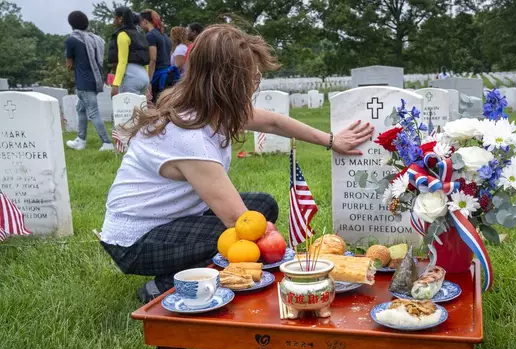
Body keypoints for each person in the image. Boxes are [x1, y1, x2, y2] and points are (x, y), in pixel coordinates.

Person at [99, 24, 374, 303]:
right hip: (136, 242)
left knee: (263, 206)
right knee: (246, 235)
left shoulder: (207, 107)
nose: (256, 84)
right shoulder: (188, 138)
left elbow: (274, 121)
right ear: (227, 82)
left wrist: (331, 140)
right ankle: (166, 286)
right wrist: (294, 264)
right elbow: (239, 223)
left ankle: (198, 270)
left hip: (170, 220)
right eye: (252, 77)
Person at [64, 11, 113, 151]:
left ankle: (107, 142)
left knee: (93, 112)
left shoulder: (71, 40)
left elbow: (69, 64)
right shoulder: (94, 39)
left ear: (71, 24)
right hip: (95, 78)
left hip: (83, 81)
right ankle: (81, 140)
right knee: (80, 109)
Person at [108, 6, 150, 96]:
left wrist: (115, 84)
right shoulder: (140, 35)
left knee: (127, 109)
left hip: (131, 77)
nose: (113, 19)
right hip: (144, 77)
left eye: (114, 17)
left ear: (120, 19)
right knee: (139, 109)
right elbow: (145, 61)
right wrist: (148, 81)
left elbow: (122, 62)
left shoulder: (123, 35)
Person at [139, 10, 176, 102]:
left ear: (145, 21)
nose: (139, 25)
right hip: (168, 75)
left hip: (158, 77)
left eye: (140, 21)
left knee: (154, 107)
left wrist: (148, 81)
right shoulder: (165, 36)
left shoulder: (150, 36)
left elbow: (152, 60)